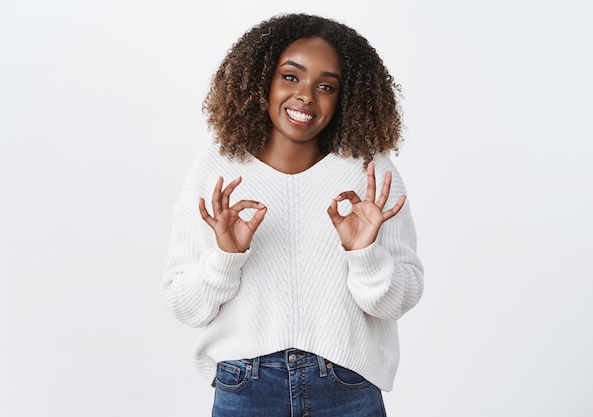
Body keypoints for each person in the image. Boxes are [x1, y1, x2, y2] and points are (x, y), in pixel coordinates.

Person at [161, 13, 424, 417]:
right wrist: (224, 260)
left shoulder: (370, 173)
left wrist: (365, 255)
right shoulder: (217, 170)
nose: (305, 96)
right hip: (246, 387)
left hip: (346, 385)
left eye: (326, 86)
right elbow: (185, 305)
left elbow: (398, 300)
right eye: (290, 77)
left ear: (346, 98)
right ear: (261, 80)